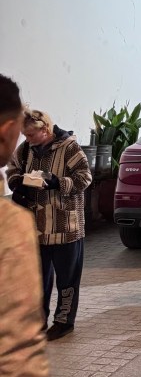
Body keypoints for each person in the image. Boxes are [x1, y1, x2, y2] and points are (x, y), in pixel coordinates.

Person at [0, 75, 56, 377]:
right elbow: (17, 344)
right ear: (7, 131)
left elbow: (79, 180)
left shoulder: (68, 149)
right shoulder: (6, 227)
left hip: (62, 226)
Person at [6, 108, 92, 341]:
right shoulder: (26, 150)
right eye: (25, 135)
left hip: (66, 228)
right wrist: (17, 187)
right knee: (37, 280)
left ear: (45, 129)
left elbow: (85, 177)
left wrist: (57, 183)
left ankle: (64, 322)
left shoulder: (70, 148)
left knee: (67, 279)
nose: (27, 139)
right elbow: (13, 170)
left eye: (31, 135)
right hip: (36, 229)